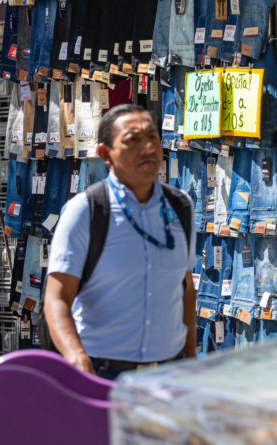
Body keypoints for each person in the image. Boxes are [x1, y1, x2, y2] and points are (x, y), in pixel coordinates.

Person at [44, 104, 197, 380]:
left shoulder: (181, 207)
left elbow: (185, 289)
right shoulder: (86, 210)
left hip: (169, 376)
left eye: (153, 138)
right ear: (105, 154)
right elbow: (57, 298)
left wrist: (191, 360)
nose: (148, 148)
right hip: (103, 374)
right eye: (133, 141)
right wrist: (76, 357)